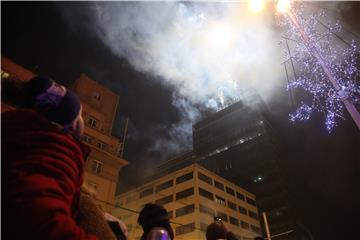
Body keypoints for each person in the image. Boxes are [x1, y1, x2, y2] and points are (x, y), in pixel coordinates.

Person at [3, 76, 97, 239]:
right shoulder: (55, 148)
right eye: (80, 115)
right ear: (70, 124)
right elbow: (41, 221)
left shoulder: (21, 140)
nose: (83, 122)